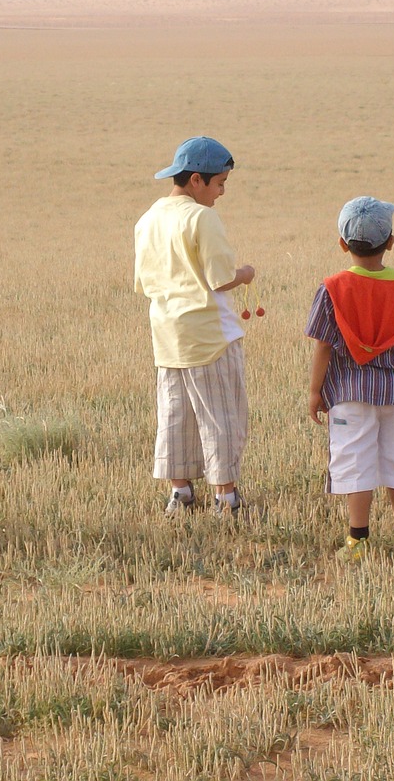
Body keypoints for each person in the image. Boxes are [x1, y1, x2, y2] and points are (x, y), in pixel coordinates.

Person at [306, 197, 394, 562]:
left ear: (343, 245)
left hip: (350, 395)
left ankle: (358, 539)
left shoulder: (332, 288)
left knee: (355, 462)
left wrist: (315, 391)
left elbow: (324, 346)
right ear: (390, 241)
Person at [134, 136, 255, 518]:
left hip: (167, 335)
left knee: (175, 414)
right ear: (197, 180)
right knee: (220, 415)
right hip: (209, 335)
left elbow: (143, 282)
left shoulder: (149, 217)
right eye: (220, 184)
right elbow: (220, 279)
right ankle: (226, 499)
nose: (221, 193)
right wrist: (246, 275)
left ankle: (180, 493)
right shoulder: (202, 217)